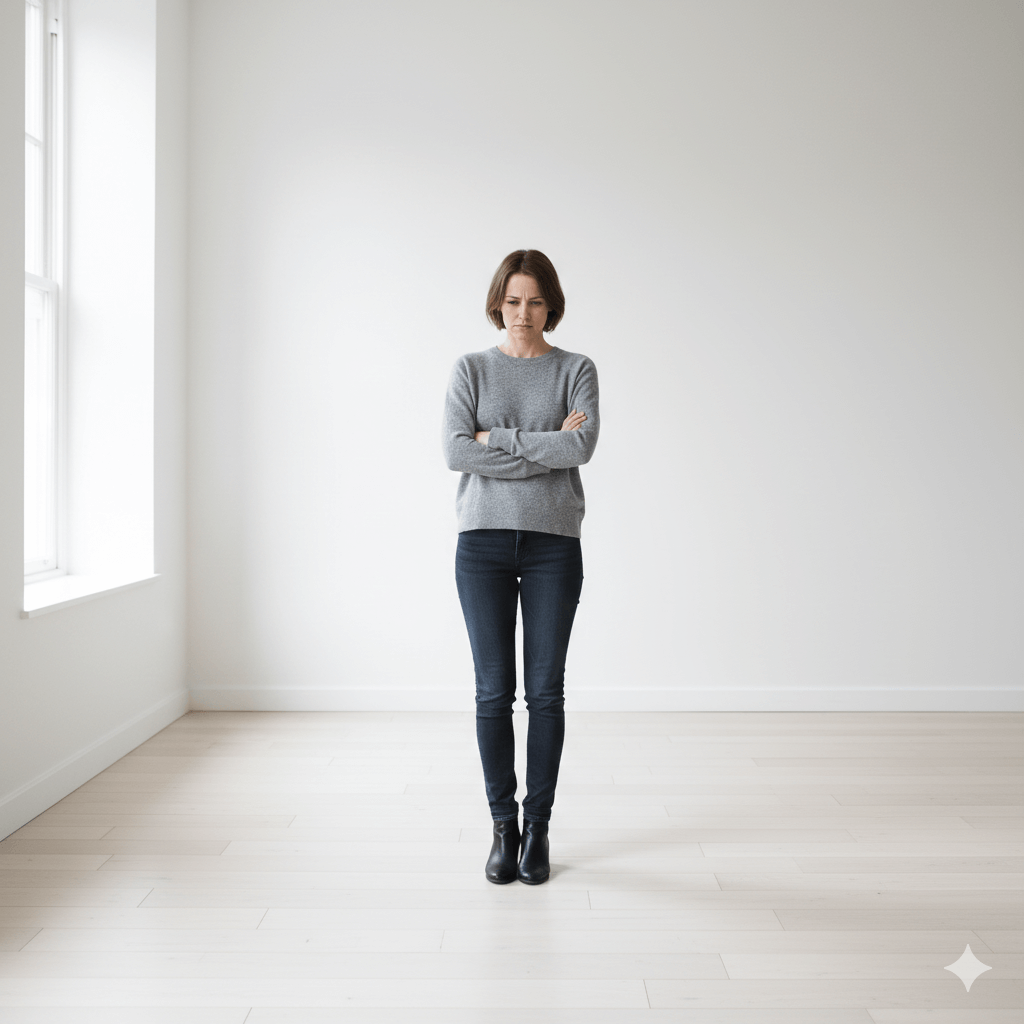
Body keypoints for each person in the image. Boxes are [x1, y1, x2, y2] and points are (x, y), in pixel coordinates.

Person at [441, 249, 600, 885]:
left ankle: (538, 829)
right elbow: (455, 452)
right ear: (497, 303)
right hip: (481, 544)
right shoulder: (470, 370)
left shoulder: (576, 369)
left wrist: (496, 439)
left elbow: (581, 445)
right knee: (491, 692)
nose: (523, 314)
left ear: (550, 305)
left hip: (553, 545)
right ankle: (501, 828)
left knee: (544, 693)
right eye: (512, 301)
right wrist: (543, 447)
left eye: (535, 301)